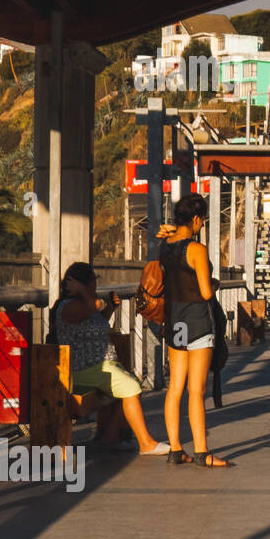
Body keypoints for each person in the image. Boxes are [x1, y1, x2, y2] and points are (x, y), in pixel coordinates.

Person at [53, 262, 169, 455]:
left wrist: (111, 310)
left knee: (128, 388)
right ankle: (146, 443)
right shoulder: (69, 306)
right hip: (86, 368)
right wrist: (84, 291)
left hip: (100, 367)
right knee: (132, 387)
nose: (95, 285)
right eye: (92, 281)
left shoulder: (84, 305)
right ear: (83, 283)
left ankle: (111, 437)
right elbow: (95, 305)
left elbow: (95, 324)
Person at [160, 195, 231, 467]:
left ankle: (175, 449)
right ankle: (202, 452)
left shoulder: (165, 247)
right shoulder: (197, 250)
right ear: (197, 219)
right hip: (198, 322)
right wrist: (215, 284)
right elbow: (204, 292)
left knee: (174, 388)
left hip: (174, 320)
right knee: (196, 390)